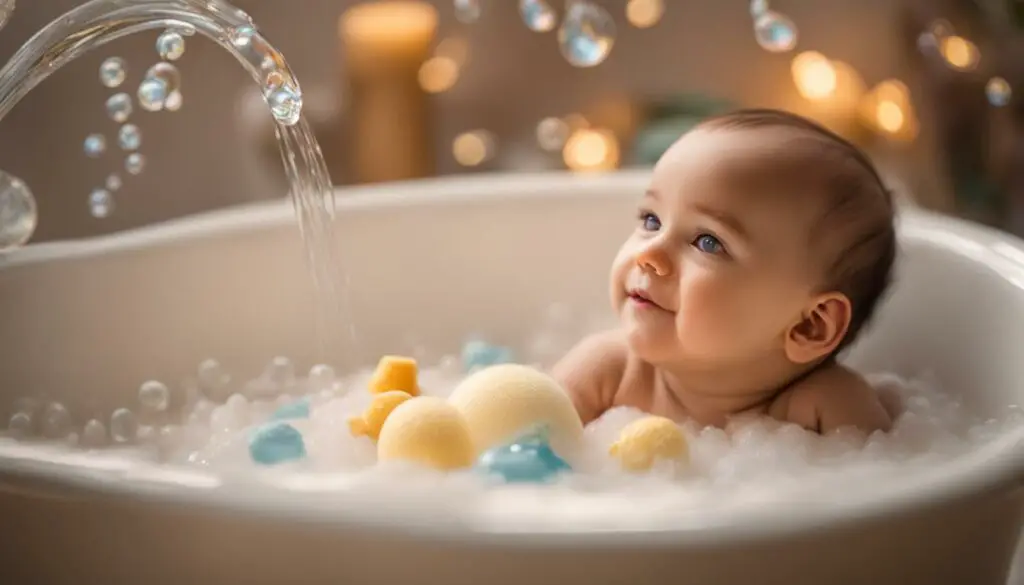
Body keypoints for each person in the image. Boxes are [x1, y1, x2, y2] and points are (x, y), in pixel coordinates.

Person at [553, 108, 898, 434]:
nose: (649, 254)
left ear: (810, 326)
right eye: (651, 220)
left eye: (707, 242)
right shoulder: (607, 371)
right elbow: (523, 451)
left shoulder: (827, 407)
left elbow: (893, 490)